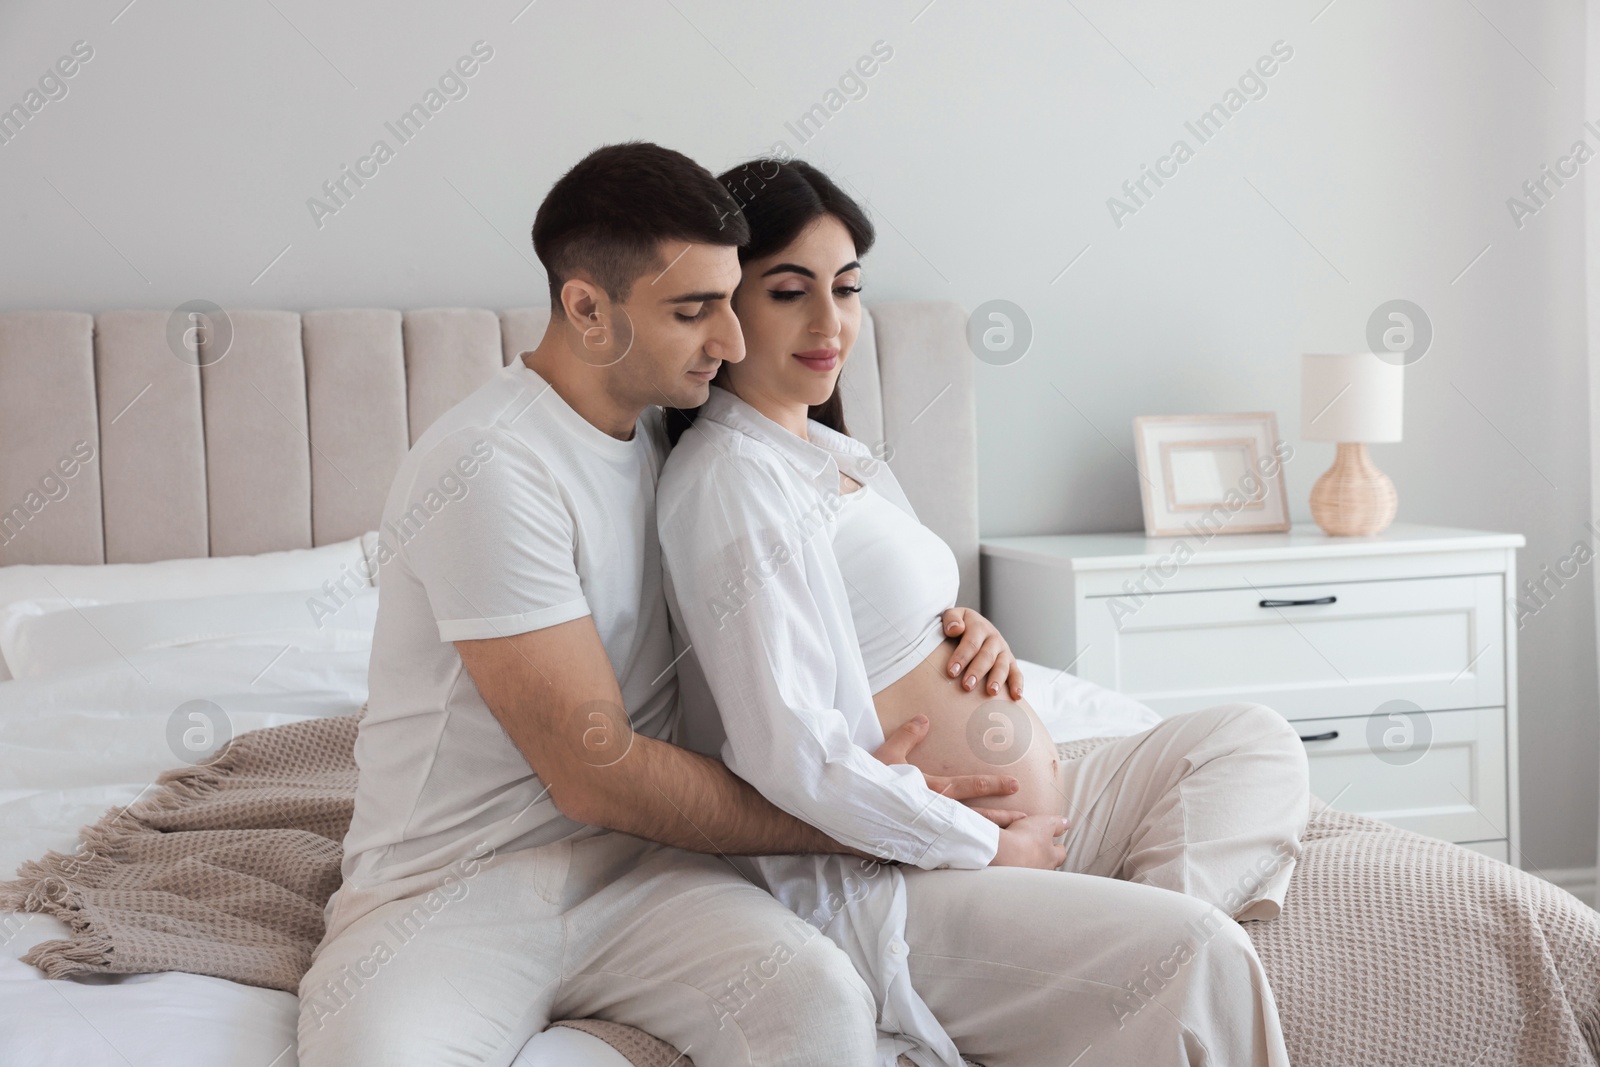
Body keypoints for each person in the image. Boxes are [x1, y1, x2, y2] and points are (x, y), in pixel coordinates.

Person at [294, 141, 1006, 1067]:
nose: (735, 340)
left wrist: (951, 619)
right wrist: (870, 816)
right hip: (458, 885)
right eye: (693, 310)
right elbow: (598, 772)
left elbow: (811, 574)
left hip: (646, 873)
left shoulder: (672, 443)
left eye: (730, 297)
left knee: (822, 1004)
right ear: (587, 307)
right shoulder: (490, 467)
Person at [657, 157, 1312, 1066]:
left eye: (846, 289)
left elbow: (880, 617)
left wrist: (962, 624)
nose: (829, 322)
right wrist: (979, 845)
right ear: (727, 306)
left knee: (1251, 739)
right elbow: (788, 751)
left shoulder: (836, 455)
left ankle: (1143, 915)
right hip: (893, 873)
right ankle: (1146, 939)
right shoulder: (730, 482)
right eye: (788, 291)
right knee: (1197, 955)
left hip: (1011, 826)